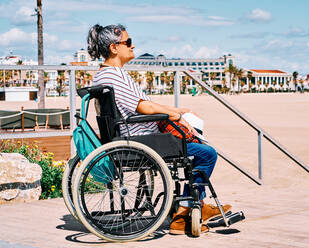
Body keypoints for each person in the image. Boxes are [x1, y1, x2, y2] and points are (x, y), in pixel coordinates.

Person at [87, 24, 231, 235]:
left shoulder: (105, 75)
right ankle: (184, 214)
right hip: (141, 139)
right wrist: (176, 115)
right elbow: (144, 107)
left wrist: (177, 111)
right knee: (207, 154)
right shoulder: (114, 76)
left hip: (133, 135)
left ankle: (195, 204)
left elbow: (144, 104)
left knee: (192, 138)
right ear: (114, 48)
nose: (132, 45)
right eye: (128, 42)